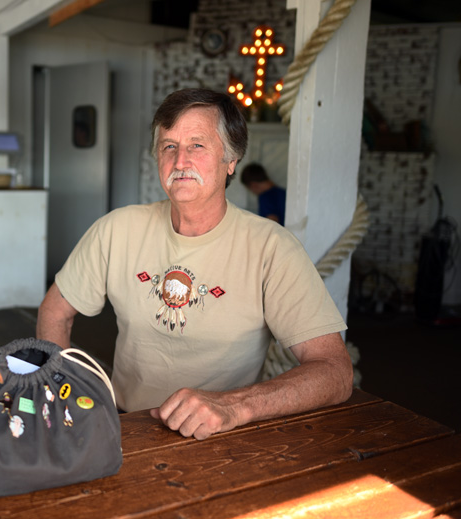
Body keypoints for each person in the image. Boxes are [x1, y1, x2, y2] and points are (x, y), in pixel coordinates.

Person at [37, 88, 352, 441]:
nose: (180, 161)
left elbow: (335, 372)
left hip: (226, 433)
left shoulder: (271, 248)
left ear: (231, 160)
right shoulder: (117, 229)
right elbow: (55, 312)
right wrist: (66, 395)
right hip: (127, 426)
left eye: (197, 145)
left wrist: (235, 406)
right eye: (168, 146)